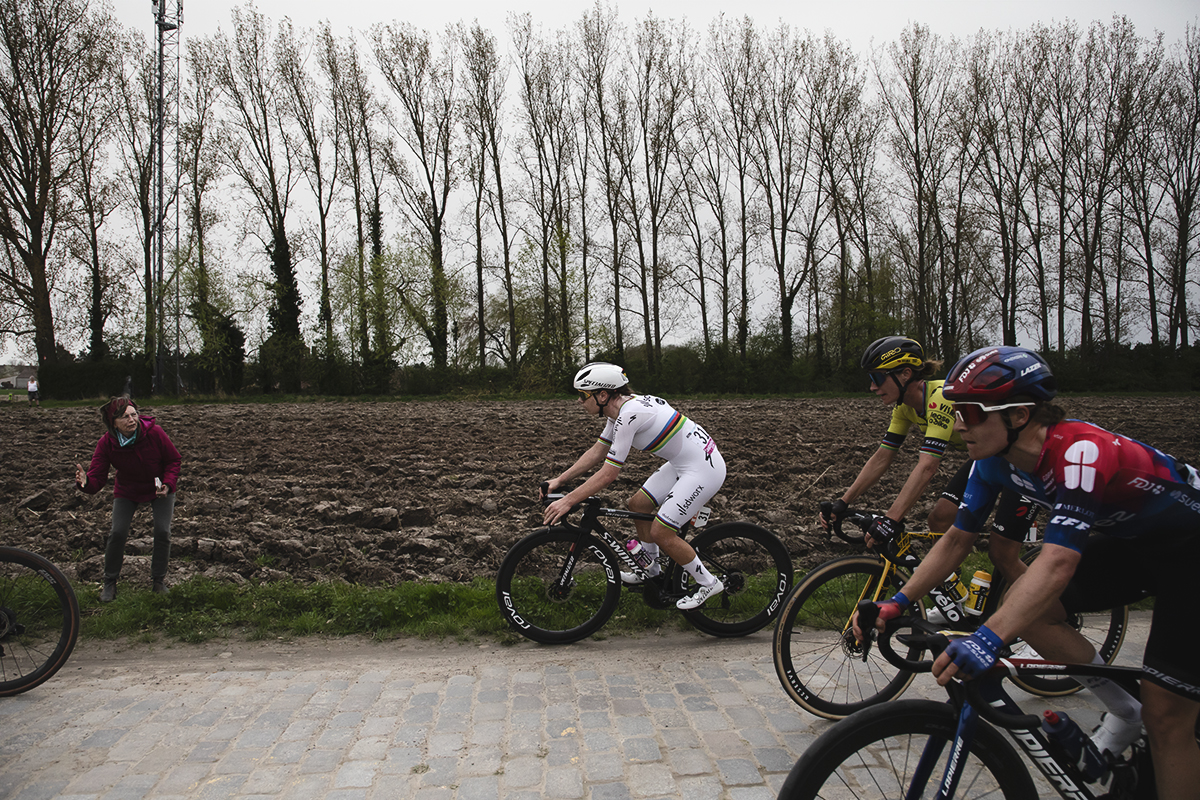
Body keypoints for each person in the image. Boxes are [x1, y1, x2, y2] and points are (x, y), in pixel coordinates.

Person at [853, 346, 1200, 799]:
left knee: (1167, 717)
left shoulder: (1080, 451)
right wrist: (896, 603)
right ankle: (1124, 711)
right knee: (1028, 609)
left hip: (1192, 551)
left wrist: (986, 638)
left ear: (1018, 415)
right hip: (1139, 543)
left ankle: (1152, 724)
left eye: (970, 413)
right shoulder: (992, 461)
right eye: (955, 411)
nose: (957, 424)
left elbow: (1058, 561)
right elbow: (957, 540)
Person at [819, 336, 1034, 589]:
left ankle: (1043, 610)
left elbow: (928, 466)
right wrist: (843, 502)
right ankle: (955, 594)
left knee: (1002, 554)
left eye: (877, 378)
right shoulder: (904, 407)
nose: (872, 387)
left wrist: (891, 519)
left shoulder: (940, 398)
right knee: (940, 519)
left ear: (905, 374)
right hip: (988, 460)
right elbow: (883, 456)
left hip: (1021, 463)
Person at [543, 362, 728, 610]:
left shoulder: (630, 414)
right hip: (684, 463)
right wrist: (560, 480)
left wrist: (568, 500)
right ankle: (651, 568)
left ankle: (708, 582)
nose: (579, 401)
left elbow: (609, 474)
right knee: (638, 505)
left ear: (603, 395)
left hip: (704, 470)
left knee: (661, 532)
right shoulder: (619, 410)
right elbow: (598, 451)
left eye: (583, 395)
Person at [75, 396, 182, 602]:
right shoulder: (107, 443)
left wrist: (168, 484)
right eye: (124, 417)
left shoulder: (155, 433)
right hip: (127, 490)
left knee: (162, 531)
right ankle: (109, 583)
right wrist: (85, 482)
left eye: (134, 415)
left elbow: (173, 459)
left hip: (159, 488)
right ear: (113, 422)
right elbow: (97, 478)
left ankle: (158, 581)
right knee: (117, 532)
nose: (132, 420)